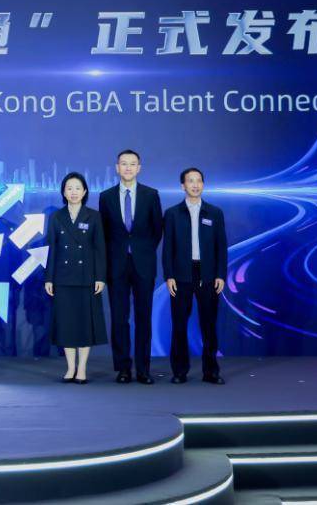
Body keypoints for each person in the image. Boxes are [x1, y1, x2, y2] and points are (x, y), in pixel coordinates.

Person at [99, 149, 163, 385]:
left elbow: (157, 230)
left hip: (143, 265)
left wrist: (141, 251)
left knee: (143, 318)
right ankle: (123, 368)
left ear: (139, 168)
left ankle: (144, 369)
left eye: (132, 164)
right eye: (124, 164)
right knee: (119, 319)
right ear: (117, 168)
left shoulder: (151, 195)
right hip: (116, 266)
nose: (128, 168)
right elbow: (104, 233)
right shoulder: (106, 197)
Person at [163, 167, 227, 385]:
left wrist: (220, 274)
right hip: (181, 274)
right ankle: (179, 371)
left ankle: (211, 371)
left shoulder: (214, 212)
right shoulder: (172, 213)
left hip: (208, 274)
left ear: (203, 184)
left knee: (209, 324)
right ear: (183, 185)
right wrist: (169, 275)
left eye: (198, 180)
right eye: (190, 181)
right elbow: (167, 248)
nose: (195, 185)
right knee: (179, 324)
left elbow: (221, 246)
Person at [44, 173, 108, 384]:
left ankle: (82, 369)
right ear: (63, 192)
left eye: (77, 188)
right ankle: (70, 368)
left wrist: (100, 277)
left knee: (84, 325)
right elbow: (52, 249)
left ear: (85, 191)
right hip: (63, 278)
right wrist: (49, 278)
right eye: (69, 188)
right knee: (67, 325)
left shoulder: (94, 216)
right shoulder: (56, 217)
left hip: (86, 278)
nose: (73, 192)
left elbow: (99, 249)